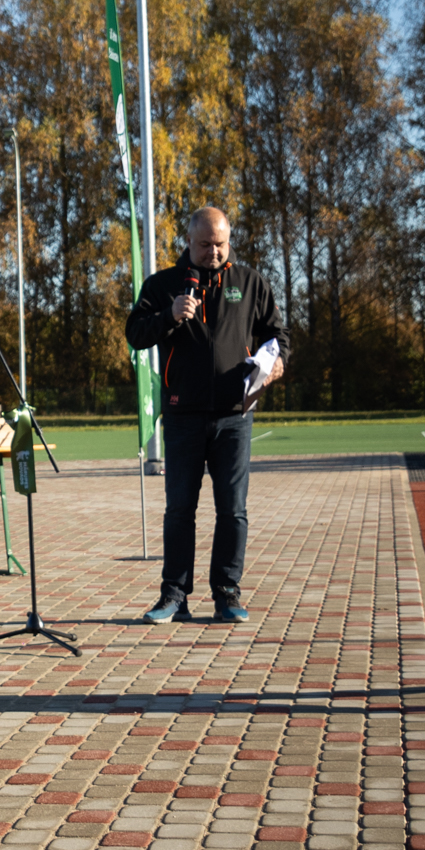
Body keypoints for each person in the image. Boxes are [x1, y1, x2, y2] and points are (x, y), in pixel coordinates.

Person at [125, 206, 289, 624]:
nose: (213, 252)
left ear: (228, 240)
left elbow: (277, 334)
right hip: (183, 416)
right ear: (190, 242)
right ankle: (173, 596)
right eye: (205, 245)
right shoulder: (163, 284)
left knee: (232, 509)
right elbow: (135, 333)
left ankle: (227, 592)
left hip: (235, 415)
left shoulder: (250, 282)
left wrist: (277, 361)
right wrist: (169, 315)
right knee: (180, 508)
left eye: (220, 244)